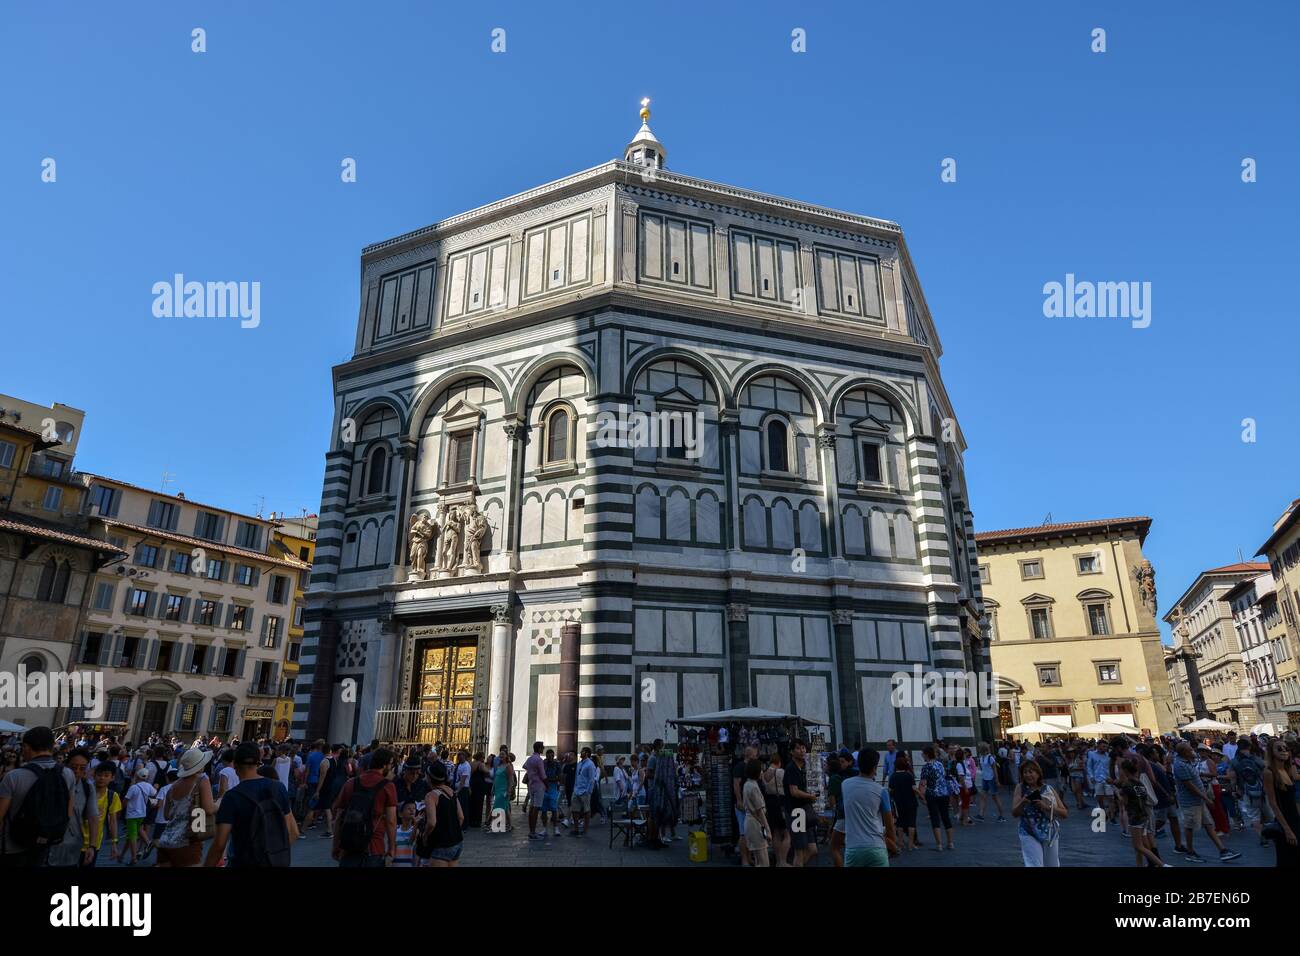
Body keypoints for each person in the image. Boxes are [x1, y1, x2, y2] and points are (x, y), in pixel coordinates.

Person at [206, 742, 297, 867]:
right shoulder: (279, 788)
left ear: (235, 765)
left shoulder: (232, 796)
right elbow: (292, 831)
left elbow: (219, 844)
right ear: (258, 762)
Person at [1171, 742, 1240, 863]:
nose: (1193, 751)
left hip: (1198, 801)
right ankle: (1190, 852)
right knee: (1190, 827)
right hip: (1190, 802)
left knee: (1208, 825)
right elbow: (1190, 786)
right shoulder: (1180, 765)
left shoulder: (1188, 762)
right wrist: (1206, 798)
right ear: (1184, 752)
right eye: (1190, 749)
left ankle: (1223, 850)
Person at [331, 746, 397, 867]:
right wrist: (392, 847)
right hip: (374, 847)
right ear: (385, 765)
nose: (392, 768)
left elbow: (339, 817)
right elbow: (391, 821)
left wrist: (336, 845)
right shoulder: (388, 786)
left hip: (348, 846)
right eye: (391, 765)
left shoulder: (350, 783)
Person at [155, 747, 216, 867]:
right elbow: (209, 809)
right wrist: (219, 803)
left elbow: (167, 815)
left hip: (165, 840)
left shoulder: (172, 787)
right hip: (187, 841)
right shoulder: (201, 780)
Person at [842, 747, 897, 867]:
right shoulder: (882, 791)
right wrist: (893, 845)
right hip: (876, 847)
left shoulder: (845, 785)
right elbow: (889, 825)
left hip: (853, 848)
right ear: (874, 767)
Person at [47, 748, 98, 869]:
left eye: (82, 768)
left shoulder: (88, 788)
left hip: (72, 848)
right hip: (47, 847)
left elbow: (93, 817)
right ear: (66, 765)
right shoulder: (52, 783)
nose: (77, 772)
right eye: (73, 767)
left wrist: (92, 846)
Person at [1012, 758, 1067, 866]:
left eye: (1030, 772)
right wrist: (1023, 802)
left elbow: (1064, 813)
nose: (1028, 775)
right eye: (1025, 772)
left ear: (1038, 773)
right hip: (1028, 831)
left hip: (1049, 831)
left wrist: (1046, 807)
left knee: (1052, 864)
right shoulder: (1020, 788)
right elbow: (1014, 813)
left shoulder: (1048, 788)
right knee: (1034, 864)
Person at [1115, 759, 1168, 867]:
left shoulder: (1127, 785)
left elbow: (1124, 802)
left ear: (1125, 770)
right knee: (1140, 846)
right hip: (1144, 815)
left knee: (1138, 846)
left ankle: (1161, 864)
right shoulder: (1140, 783)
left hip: (1135, 817)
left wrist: (1118, 793)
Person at [1262, 737, 1299, 867]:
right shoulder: (1269, 772)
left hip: (1295, 819)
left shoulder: (1287, 770)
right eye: (1279, 748)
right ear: (1271, 752)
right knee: (1287, 859)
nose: (1283, 750)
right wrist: (1287, 829)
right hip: (1285, 822)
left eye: (1286, 748)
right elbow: (1273, 803)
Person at [420, 762, 465, 866]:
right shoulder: (451, 791)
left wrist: (425, 836)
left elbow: (431, 822)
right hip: (457, 842)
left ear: (429, 778)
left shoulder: (431, 796)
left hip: (441, 844)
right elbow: (461, 817)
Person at [784, 740, 818, 866]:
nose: (802, 750)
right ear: (792, 752)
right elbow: (794, 791)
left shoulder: (803, 766)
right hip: (796, 811)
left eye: (803, 747)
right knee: (799, 850)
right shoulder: (791, 768)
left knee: (812, 849)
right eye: (798, 748)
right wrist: (810, 796)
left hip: (805, 811)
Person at [917, 745, 954, 851]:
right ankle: (950, 843)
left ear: (927, 754)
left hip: (932, 794)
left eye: (923, 754)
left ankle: (939, 845)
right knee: (946, 817)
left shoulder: (926, 767)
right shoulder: (940, 764)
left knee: (935, 818)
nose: (922, 755)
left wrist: (922, 796)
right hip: (944, 793)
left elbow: (923, 783)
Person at [84, 761, 121, 865]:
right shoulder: (84, 791)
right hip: (76, 840)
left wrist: (114, 843)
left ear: (112, 778)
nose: (102, 778)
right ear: (94, 775)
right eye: (99, 775)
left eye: (106, 775)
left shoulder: (112, 796)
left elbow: (113, 821)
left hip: (94, 843)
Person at [122, 768, 157, 865]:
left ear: (137, 776)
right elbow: (155, 794)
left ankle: (133, 858)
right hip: (142, 813)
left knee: (133, 837)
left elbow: (126, 800)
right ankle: (148, 843)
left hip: (132, 814)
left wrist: (121, 809)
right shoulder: (148, 786)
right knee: (138, 831)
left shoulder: (133, 787)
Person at [761, 751, 790, 866]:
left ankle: (778, 860)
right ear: (778, 762)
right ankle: (783, 861)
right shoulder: (780, 772)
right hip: (781, 802)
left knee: (776, 832)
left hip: (770, 803)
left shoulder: (764, 773)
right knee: (787, 833)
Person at [741, 758, 770, 867]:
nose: (762, 772)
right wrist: (768, 829)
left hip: (750, 822)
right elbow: (760, 811)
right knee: (764, 862)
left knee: (759, 860)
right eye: (761, 770)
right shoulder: (754, 787)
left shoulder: (747, 784)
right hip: (755, 824)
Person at [732, 745, 758, 864]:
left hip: (751, 804)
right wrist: (739, 800)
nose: (756, 756)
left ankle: (749, 857)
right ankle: (744, 860)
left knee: (750, 832)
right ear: (750, 755)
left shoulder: (753, 767)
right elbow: (736, 784)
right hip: (743, 804)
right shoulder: (739, 766)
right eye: (755, 755)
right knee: (743, 832)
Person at [570, 746, 599, 836]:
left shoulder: (590, 764)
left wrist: (588, 791)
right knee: (575, 809)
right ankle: (576, 828)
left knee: (586, 810)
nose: (580, 753)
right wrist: (575, 787)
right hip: (577, 789)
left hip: (585, 791)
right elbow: (576, 777)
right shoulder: (579, 764)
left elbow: (591, 779)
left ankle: (585, 829)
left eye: (582, 751)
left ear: (586, 753)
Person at [522, 741, 547, 840]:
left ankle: (531, 831)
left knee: (532, 807)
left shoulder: (530, 759)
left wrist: (531, 772)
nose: (543, 749)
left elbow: (524, 766)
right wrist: (547, 784)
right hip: (539, 785)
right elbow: (543, 774)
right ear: (539, 749)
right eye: (542, 748)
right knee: (536, 809)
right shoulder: (539, 760)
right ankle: (533, 831)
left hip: (531, 784)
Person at [977, 743, 1007, 821]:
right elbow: (981, 768)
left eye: (980, 749)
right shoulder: (981, 758)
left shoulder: (990, 758)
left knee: (995, 797)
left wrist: (997, 780)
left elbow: (994, 769)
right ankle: (981, 815)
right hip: (985, 778)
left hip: (991, 779)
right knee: (983, 796)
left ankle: (1001, 815)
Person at [490, 748, 514, 831]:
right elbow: (496, 778)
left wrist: (508, 791)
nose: (501, 755)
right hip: (497, 789)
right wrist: (493, 788)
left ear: (506, 756)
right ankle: (509, 825)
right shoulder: (499, 765)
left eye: (503, 754)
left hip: (504, 790)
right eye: (500, 754)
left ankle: (494, 826)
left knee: (497, 806)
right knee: (505, 808)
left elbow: (510, 779)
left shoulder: (508, 766)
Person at [541, 748, 561, 837]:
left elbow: (560, 776)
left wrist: (550, 779)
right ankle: (544, 829)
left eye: (552, 755)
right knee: (544, 810)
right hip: (544, 788)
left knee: (554, 809)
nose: (550, 757)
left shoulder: (557, 764)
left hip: (552, 788)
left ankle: (556, 828)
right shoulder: (543, 764)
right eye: (549, 755)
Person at [393, 802, 417, 866]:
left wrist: (416, 825)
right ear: (400, 814)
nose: (412, 810)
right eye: (408, 808)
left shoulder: (415, 830)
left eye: (414, 808)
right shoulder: (395, 830)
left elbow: (412, 840)